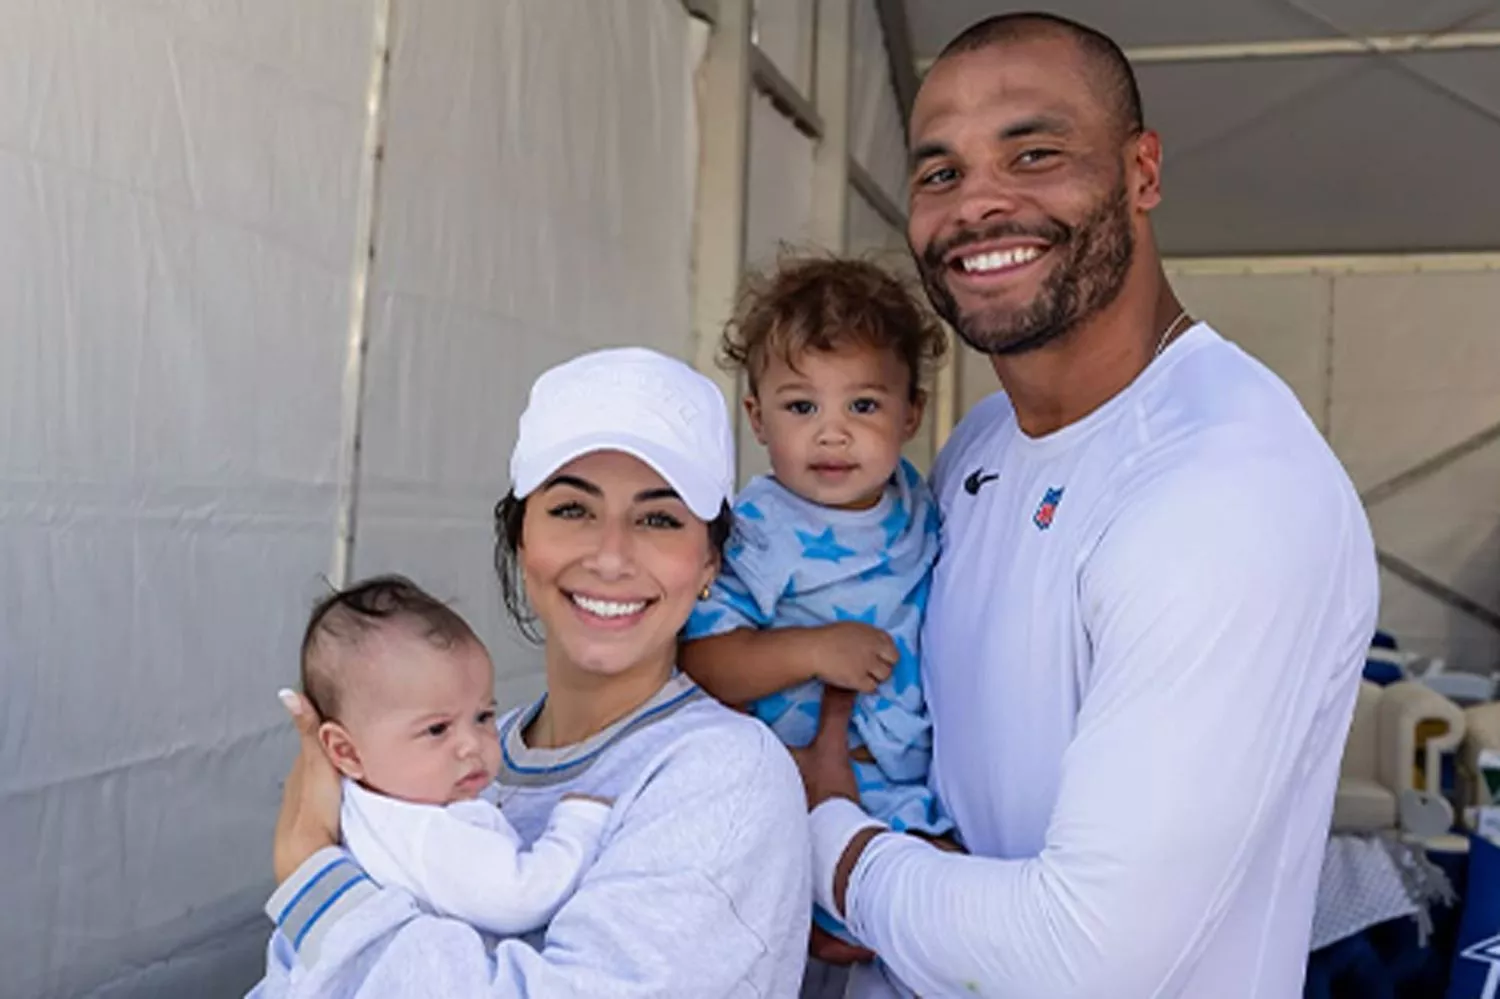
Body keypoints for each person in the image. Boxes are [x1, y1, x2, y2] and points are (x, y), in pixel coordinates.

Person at [794, 12, 1379, 999]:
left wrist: (830, 844)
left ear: (1142, 172)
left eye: (1035, 152)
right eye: (940, 173)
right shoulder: (980, 445)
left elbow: (1087, 957)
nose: (978, 204)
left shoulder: (1228, 490)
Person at [252, 346, 813, 997]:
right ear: (523, 539)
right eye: (573, 508)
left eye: (659, 518)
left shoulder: (724, 775)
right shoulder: (452, 749)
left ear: (710, 563)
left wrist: (316, 882)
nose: (610, 556)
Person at [678, 256, 952, 952]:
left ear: (911, 411)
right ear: (757, 417)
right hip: (802, 777)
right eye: (801, 406)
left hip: (907, 774)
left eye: (863, 405)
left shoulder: (917, 500)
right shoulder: (761, 529)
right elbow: (704, 660)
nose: (832, 433)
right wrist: (813, 648)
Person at [295, 573, 611, 938]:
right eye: (437, 729)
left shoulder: (366, 802)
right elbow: (521, 898)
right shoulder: (430, 835)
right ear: (346, 751)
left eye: (483, 717)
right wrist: (578, 826)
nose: (471, 744)